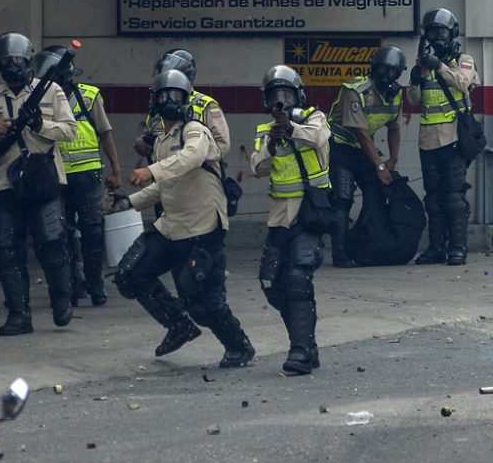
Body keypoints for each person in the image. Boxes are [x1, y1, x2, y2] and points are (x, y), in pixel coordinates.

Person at [113, 70, 254, 368]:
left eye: (175, 95)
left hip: (202, 228)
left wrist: (151, 171)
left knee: (201, 302)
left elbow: (189, 158)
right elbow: (164, 187)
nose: (169, 101)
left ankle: (238, 345)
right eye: (163, 95)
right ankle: (178, 324)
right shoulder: (163, 140)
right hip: (171, 226)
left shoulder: (195, 131)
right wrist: (127, 202)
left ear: (186, 99)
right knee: (130, 275)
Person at [0, 32, 77, 336]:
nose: (12, 65)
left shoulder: (51, 92)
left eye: (18, 59)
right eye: (6, 61)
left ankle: (62, 300)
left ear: (28, 59)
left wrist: (41, 124)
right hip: (3, 182)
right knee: (5, 249)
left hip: (42, 177)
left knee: (51, 243)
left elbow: (70, 131)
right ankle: (18, 314)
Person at [250, 66, 332, 375]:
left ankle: (299, 350)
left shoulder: (314, 117)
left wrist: (293, 129)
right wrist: (273, 142)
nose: (280, 103)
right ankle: (307, 343)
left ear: (298, 95)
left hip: (309, 215)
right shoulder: (265, 129)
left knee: (298, 279)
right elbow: (257, 167)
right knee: (272, 284)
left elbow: (320, 137)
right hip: (278, 219)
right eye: (274, 97)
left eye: (286, 95)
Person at [33, 45, 121, 308]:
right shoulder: (39, 98)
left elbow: (105, 133)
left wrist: (116, 170)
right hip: (56, 177)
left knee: (92, 231)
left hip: (87, 175)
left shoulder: (89, 96)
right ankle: (72, 284)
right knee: (61, 233)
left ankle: (95, 285)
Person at [407, 8, 480, 266]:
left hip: (453, 139)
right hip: (427, 140)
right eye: (432, 31)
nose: (437, 36)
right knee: (433, 197)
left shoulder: (464, 59)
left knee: (453, 197)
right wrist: (415, 80)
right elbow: (414, 101)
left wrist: (438, 65)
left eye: (441, 31)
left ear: (452, 33)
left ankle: (457, 248)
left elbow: (462, 83)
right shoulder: (423, 64)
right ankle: (436, 247)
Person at [326, 46, 406, 267]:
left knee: (377, 195)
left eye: (393, 72)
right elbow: (361, 133)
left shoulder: (397, 94)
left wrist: (393, 160)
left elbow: (394, 128)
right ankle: (340, 253)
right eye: (383, 69)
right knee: (342, 199)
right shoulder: (356, 90)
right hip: (341, 148)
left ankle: (370, 244)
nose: (387, 76)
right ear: (373, 68)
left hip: (364, 150)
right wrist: (380, 168)